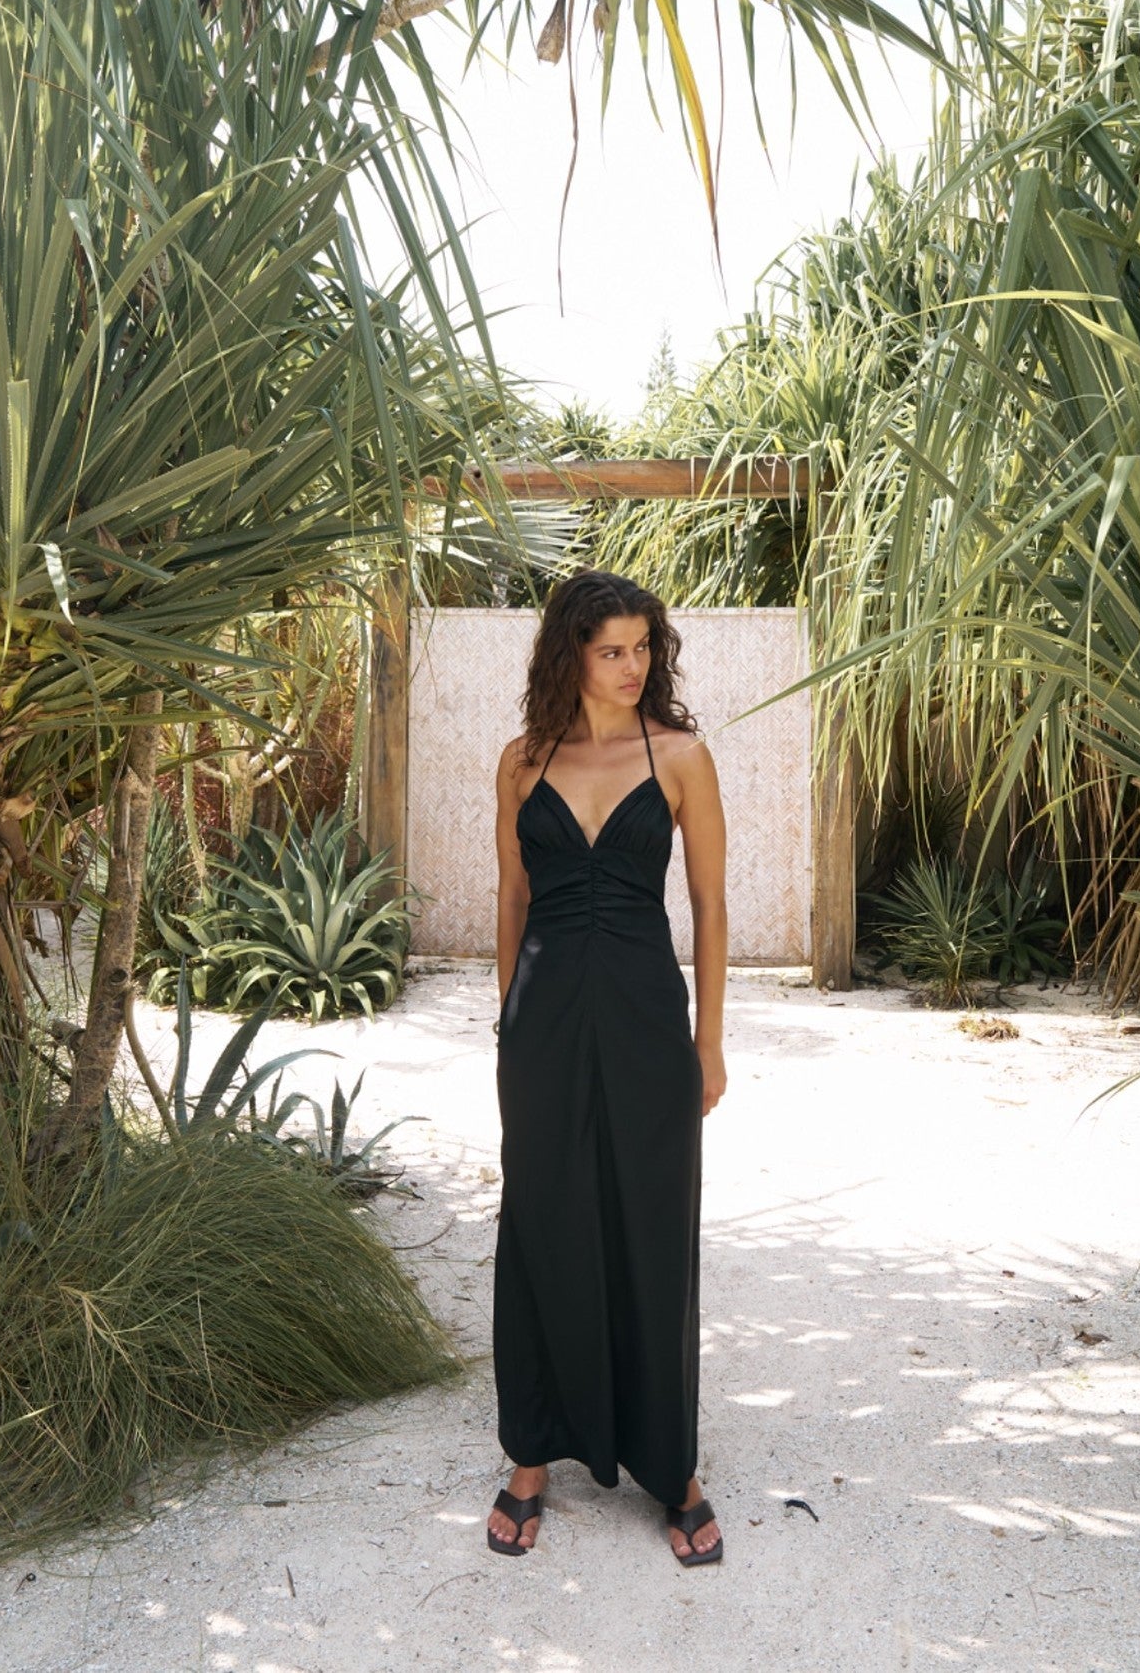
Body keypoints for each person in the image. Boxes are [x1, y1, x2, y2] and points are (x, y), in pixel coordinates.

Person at [484, 568, 729, 1566]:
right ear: (570, 656)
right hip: (541, 1025)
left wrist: (709, 1042)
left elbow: (712, 907)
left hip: (642, 1021)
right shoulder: (521, 761)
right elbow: (510, 899)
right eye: (610, 650)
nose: (632, 667)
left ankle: (673, 1469)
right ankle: (531, 1458)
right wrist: (506, 1021)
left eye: (642, 648)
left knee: (652, 1223)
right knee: (540, 1221)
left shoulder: (679, 757)